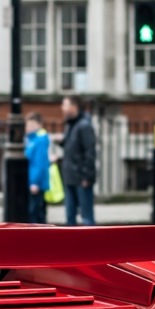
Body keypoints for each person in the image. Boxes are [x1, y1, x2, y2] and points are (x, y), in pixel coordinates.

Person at [60, 95, 97, 225]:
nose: (62, 108)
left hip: (81, 178)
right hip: (70, 176)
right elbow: (72, 147)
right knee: (70, 217)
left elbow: (90, 152)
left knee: (86, 217)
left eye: (65, 105)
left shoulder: (84, 125)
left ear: (74, 107)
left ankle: (91, 244)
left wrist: (87, 177)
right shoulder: (70, 125)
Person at [24, 112, 50, 224]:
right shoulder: (31, 140)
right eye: (27, 125)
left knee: (35, 212)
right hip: (33, 181)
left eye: (32, 125)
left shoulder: (39, 141)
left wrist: (35, 182)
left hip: (36, 183)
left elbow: (39, 163)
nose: (28, 128)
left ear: (39, 125)